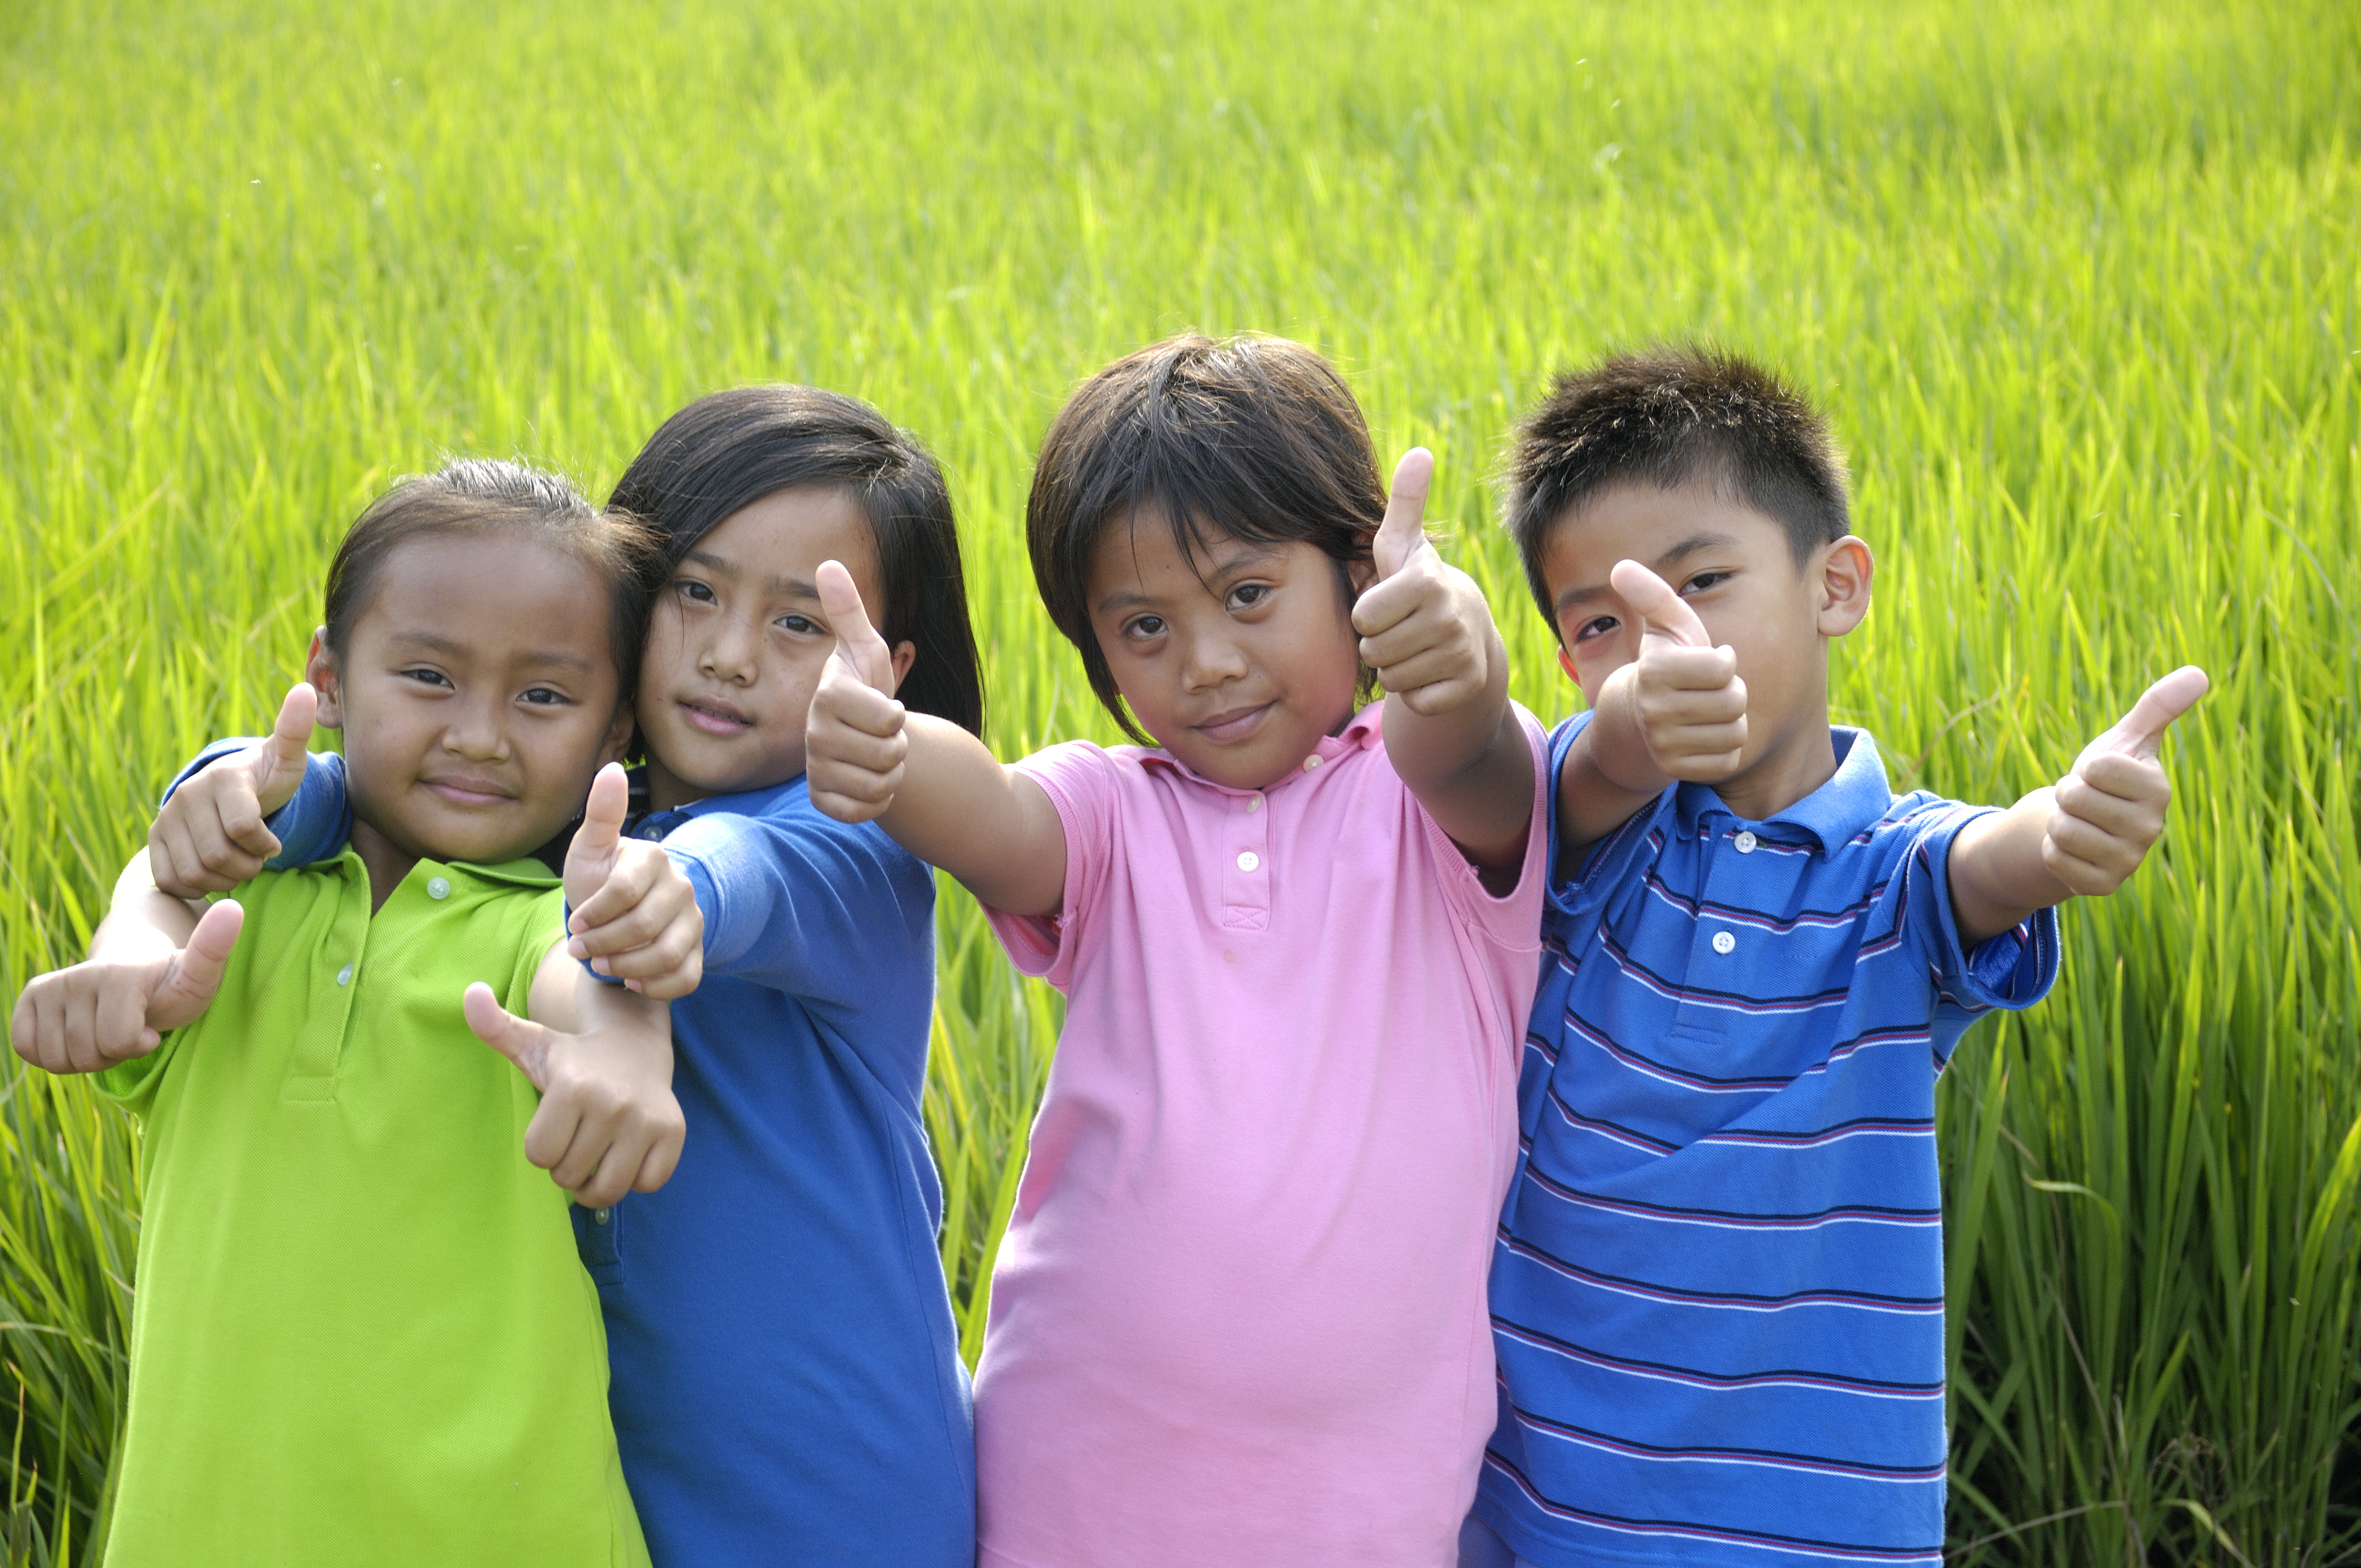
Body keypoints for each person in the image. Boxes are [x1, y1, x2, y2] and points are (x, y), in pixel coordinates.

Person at [137, 388, 986, 1568]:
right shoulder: (555, 821)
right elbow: (369, 786)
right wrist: (247, 782)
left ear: (882, 671)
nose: (729, 655)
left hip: (825, 1499)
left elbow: (745, 870)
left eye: (799, 623)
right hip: (597, 1487)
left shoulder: (859, 850)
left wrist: (674, 889)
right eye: (694, 592)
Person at [804, 332, 1551, 1568]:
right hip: (1072, 1474)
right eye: (1145, 625)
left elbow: (1465, 737)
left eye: (1249, 595)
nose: (1205, 663)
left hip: (1358, 1503)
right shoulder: (1114, 813)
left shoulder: (1424, 806)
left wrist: (1454, 642)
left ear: (1355, 573)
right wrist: (887, 751)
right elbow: (991, 815)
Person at [1460, 346, 2206, 1568]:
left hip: (1810, 1536)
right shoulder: (1575, 833)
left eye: (1704, 582)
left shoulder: (1890, 874)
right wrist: (1629, 733)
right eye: (1603, 623)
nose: (1662, 645)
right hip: (1532, 1518)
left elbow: (1986, 864)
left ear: (1835, 585)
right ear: (1567, 667)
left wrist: (2061, 831)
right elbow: (1569, 776)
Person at [9, 459, 691, 1566]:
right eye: (428, 676)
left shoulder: (542, 925)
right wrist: (122, 955)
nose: (480, 734)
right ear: (329, 675)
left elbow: (593, 988)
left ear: (615, 730)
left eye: (543, 696)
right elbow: (163, 904)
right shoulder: (235, 919)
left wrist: (623, 1059)